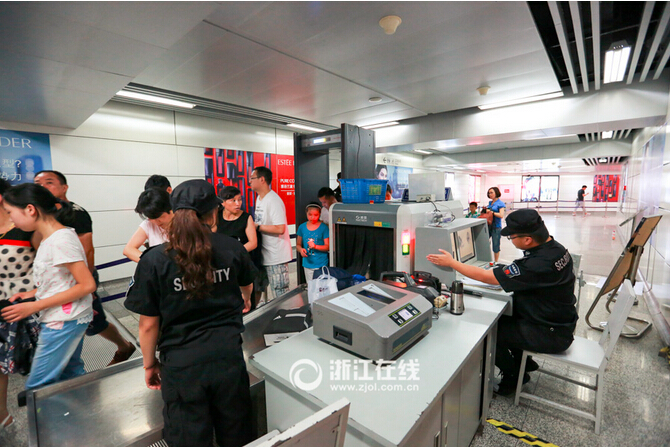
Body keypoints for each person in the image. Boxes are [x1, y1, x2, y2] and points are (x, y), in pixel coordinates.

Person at [124, 179, 255, 447]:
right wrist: (245, 298)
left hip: (182, 365)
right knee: (237, 432)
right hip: (228, 358)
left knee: (189, 437)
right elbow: (247, 285)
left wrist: (149, 365)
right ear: (213, 212)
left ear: (175, 212)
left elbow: (147, 325)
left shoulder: (155, 260)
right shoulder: (232, 248)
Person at [427, 209, 577, 396]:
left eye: (512, 237)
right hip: (558, 322)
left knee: (489, 332)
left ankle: (513, 376)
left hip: (549, 333)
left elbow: (487, 277)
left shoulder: (537, 264)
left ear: (527, 240)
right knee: (503, 319)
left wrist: (452, 263)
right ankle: (524, 362)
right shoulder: (556, 249)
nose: (511, 240)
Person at [1, 184, 97, 391]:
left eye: (10, 212)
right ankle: (84, 407)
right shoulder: (51, 238)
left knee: (37, 386)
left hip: (64, 320)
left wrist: (34, 306)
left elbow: (87, 284)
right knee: (71, 373)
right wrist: (32, 294)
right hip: (67, 316)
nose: (11, 219)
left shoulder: (60, 240)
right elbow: (61, 281)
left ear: (30, 209)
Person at [34, 170, 135, 366]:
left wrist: (85, 284)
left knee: (92, 323)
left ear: (64, 188)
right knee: (88, 323)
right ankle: (122, 347)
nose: (42, 187)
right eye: (38, 183)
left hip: (77, 279)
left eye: (49, 182)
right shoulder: (44, 214)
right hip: (57, 281)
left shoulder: (75, 213)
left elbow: (87, 250)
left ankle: (123, 346)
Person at [0, 180, 40, 431]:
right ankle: (2, 415)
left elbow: (52, 271)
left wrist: (34, 297)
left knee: (36, 365)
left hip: (25, 310)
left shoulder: (26, 229)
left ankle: (54, 415)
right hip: (1, 309)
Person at [249, 166, 292, 303]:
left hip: (276, 256)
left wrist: (257, 227)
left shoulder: (273, 200)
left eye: (252, 178)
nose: (249, 181)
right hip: (264, 254)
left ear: (262, 179)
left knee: (280, 294)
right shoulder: (260, 198)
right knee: (258, 289)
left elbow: (280, 229)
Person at [216, 186, 260, 311]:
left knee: (245, 303)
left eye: (240, 200)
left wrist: (233, 254)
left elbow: (253, 243)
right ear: (223, 202)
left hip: (241, 264)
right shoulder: (216, 217)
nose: (238, 203)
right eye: (233, 200)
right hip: (221, 266)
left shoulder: (246, 217)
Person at [123, 188, 173, 262]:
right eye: (151, 217)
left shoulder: (185, 223)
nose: (156, 222)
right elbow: (128, 250)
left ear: (171, 209)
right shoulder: (148, 224)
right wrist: (152, 263)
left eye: (159, 217)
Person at [296, 203, 329, 281]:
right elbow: (298, 244)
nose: (312, 217)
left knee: (322, 286)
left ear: (320, 214)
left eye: (316, 215)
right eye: (310, 214)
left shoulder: (324, 227)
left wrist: (315, 246)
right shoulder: (302, 227)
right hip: (308, 264)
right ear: (306, 213)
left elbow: (328, 247)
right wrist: (301, 250)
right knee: (311, 285)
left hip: (321, 264)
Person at [487, 186, 506, 263]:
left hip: (496, 227)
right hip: (488, 225)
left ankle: (496, 261)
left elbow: (501, 215)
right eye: (489, 193)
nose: (490, 194)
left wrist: (492, 213)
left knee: (496, 244)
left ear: (496, 193)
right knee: (485, 242)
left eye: (492, 192)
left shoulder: (500, 204)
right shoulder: (490, 203)